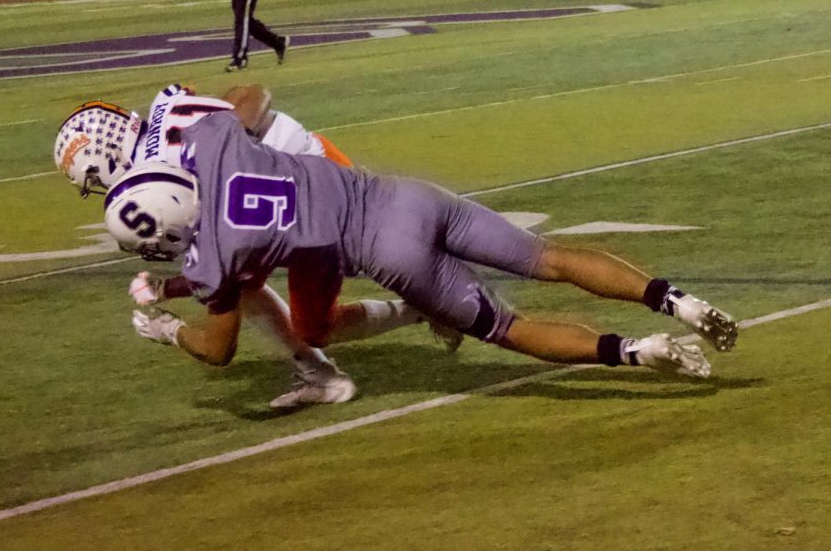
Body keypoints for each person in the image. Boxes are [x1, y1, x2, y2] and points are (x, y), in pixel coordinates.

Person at [103, 109, 739, 388]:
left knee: (508, 328)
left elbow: (219, 347)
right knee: (549, 257)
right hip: (407, 196)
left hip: (388, 253)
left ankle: (637, 351)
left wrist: (167, 328)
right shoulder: (214, 143)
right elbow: (232, 104)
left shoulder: (212, 253)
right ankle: (673, 300)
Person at [54, 85, 459, 407]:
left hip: (312, 193)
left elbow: (219, 328)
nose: (99, 189)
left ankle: (424, 307)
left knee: (312, 319)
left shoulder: (163, 170)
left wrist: (170, 325)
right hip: (290, 191)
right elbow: (247, 93)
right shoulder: (166, 116)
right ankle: (324, 371)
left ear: (99, 158)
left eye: (91, 179)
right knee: (255, 288)